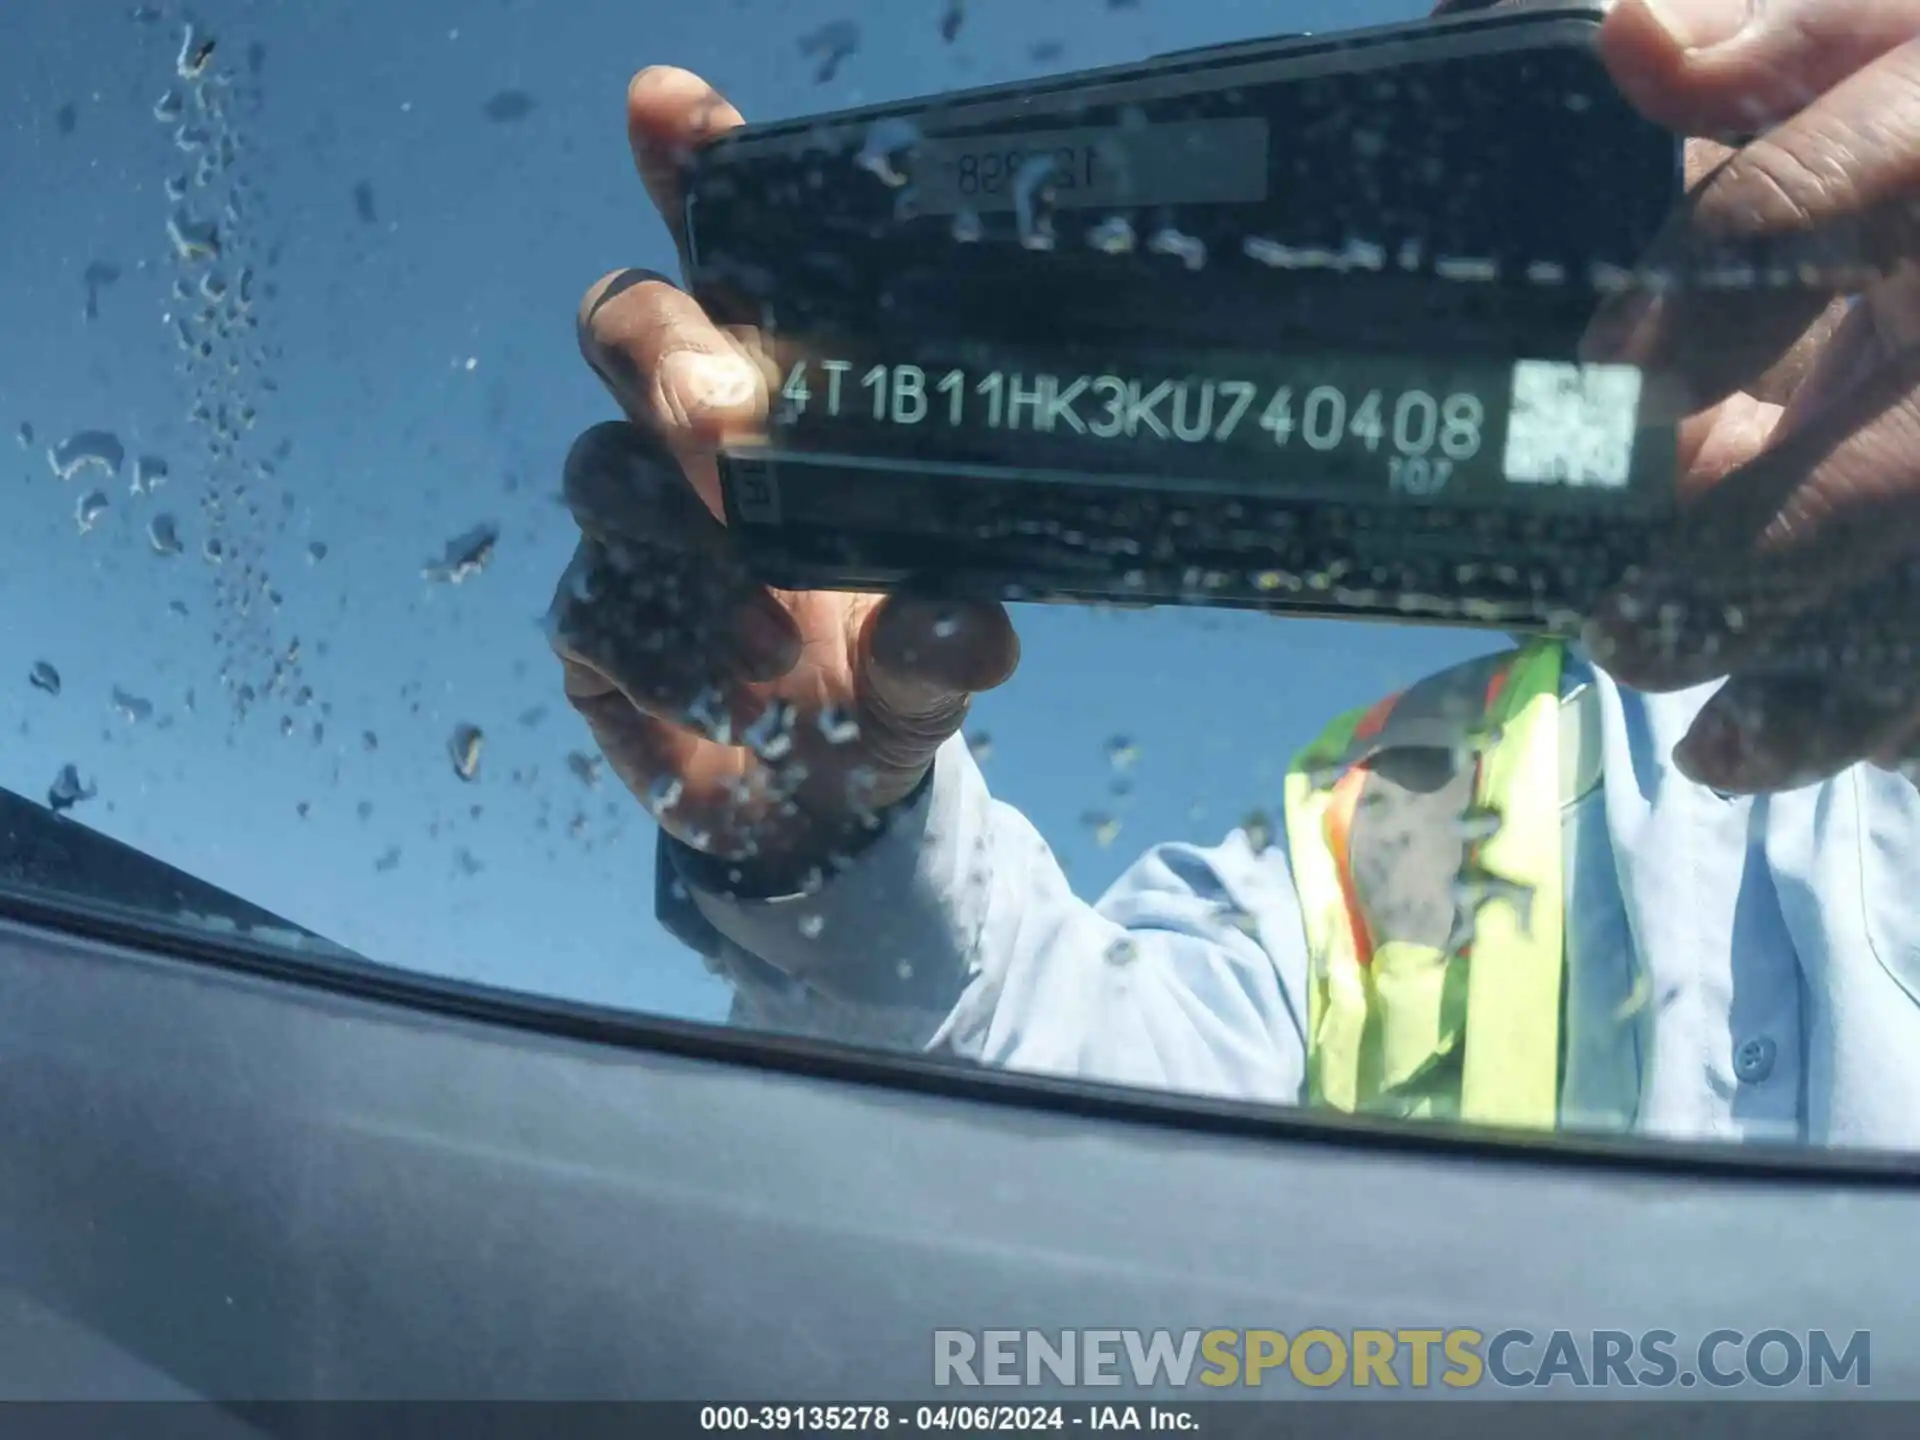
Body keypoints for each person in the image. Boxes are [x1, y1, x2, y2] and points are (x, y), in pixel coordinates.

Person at [549, 0, 1920, 1147]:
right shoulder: (1390, 795)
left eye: (1708, 85)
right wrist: (835, 844)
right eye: (1449, 155)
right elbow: (1084, 1106)